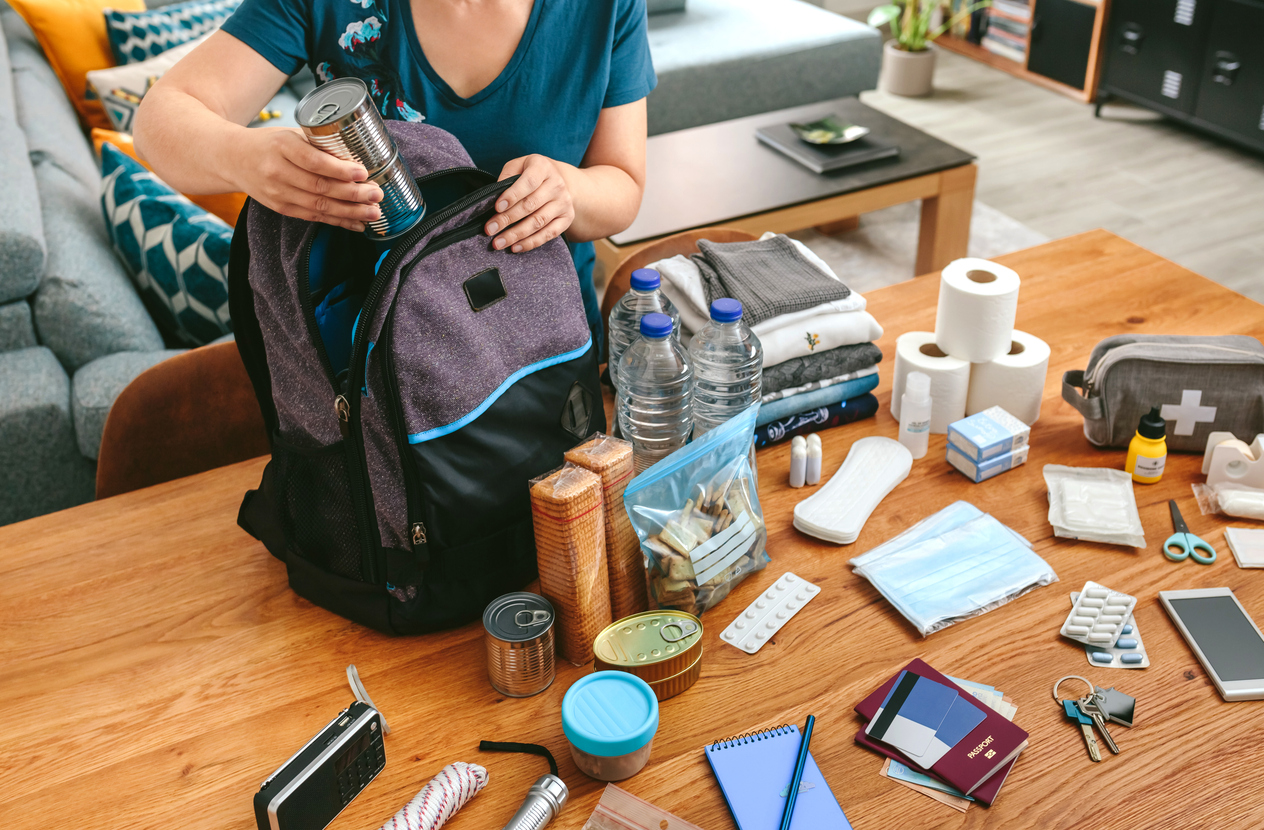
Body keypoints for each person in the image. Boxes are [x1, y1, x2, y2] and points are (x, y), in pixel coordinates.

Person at [133, 0, 657, 347]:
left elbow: (622, 184)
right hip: (377, 371)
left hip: (548, 350)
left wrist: (570, 191)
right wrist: (246, 157)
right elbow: (159, 121)